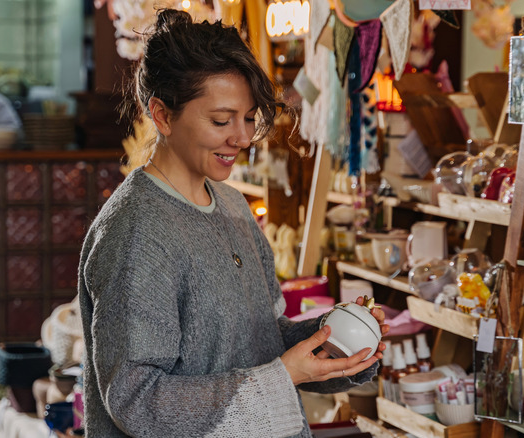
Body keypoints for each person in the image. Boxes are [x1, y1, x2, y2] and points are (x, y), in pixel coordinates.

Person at [78, 9, 388, 437]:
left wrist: (331, 336)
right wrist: (284, 376)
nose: (241, 138)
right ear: (163, 115)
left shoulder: (232, 204)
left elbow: (261, 338)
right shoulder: (137, 233)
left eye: (247, 118)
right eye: (221, 121)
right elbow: (137, 400)